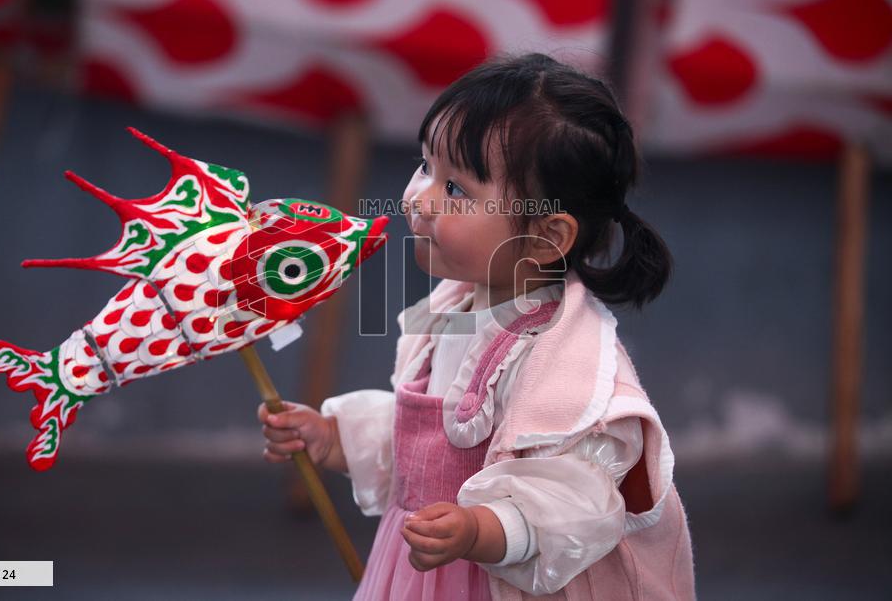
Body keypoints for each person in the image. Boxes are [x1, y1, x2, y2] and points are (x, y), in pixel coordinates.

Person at [257, 53, 696, 599]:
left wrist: (480, 529)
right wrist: (332, 436)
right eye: (425, 167)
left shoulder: (560, 363)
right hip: (418, 569)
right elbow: (428, 442)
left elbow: (579, 502)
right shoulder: (453, 310)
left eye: (456, 188)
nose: (421, 198)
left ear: (544, 237)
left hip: (483, 579)